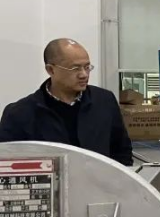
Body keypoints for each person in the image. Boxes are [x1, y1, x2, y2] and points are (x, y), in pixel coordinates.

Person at [0, 38, 133, 166]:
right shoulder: (19, 114)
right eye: (75, 68)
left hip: (100, 181)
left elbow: (122, 152)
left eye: (87, 67)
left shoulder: (104, 101)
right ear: (51, 70)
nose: (84, 74)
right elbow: (7, 164)